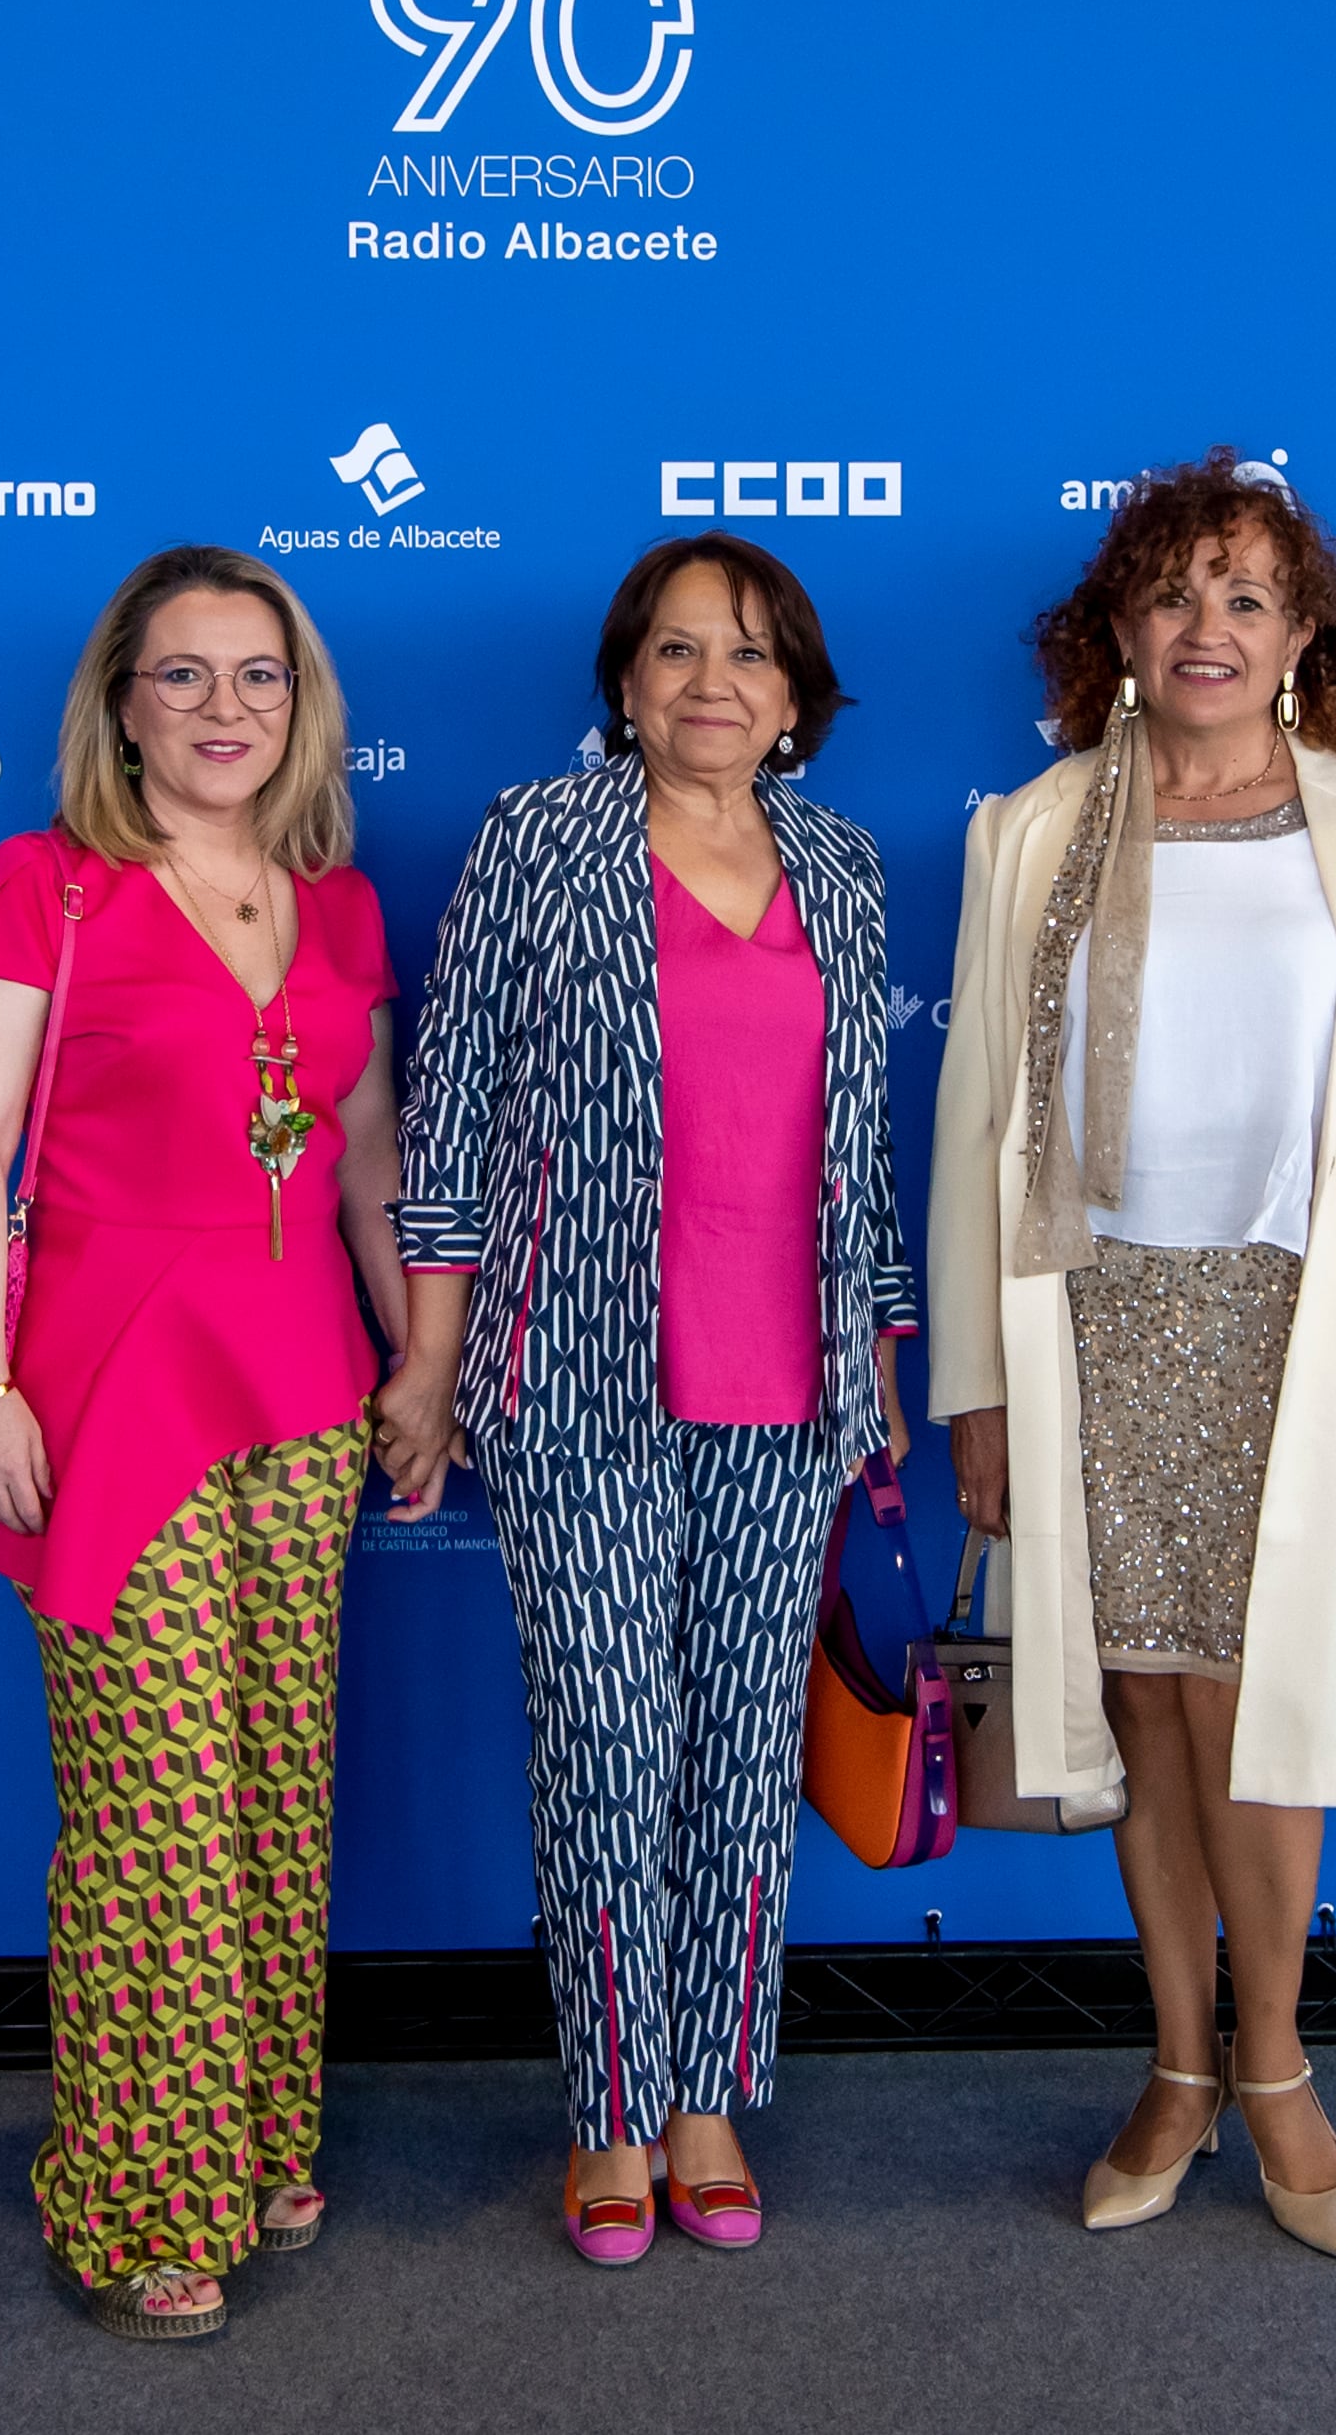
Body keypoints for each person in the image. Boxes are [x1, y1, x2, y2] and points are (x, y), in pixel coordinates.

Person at [926, 448, 1336, 2263]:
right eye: (1173, 594)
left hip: (1301, 1321)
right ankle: (1175, 2064)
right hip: (1092, 1308)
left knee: (1262, 1706)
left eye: (1246, 595)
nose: (1207, 627)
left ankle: (1271, 2062)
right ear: (1116, 629)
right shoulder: (1028, 831)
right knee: (1140, 1700)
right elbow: (975, 1119)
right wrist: (975, 1387)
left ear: (1305, 631)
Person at [370, 532, 917, 2267]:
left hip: (793, 1381)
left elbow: (862, 1149)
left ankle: (710, 2095)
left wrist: (883, 1350)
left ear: (794, 697)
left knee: (745, 1752)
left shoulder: (840, 865)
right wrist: (431, 1358)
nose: (710, 685)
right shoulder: (537, 844)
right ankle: (609, 2111)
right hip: (576, 1376)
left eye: (748, 656)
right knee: (610, 1745)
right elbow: (444, 1111)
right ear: (623, 682)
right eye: (676, 652)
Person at [0, 544, 410, 2341]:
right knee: (150, 1813)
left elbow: (363, 1159)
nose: (226, 708)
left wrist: (411, 1361)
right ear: (118, 704)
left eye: (259, 675)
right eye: (186, 675)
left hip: (302, 1393)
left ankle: (257, 2138)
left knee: (278, 1788)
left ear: (302, 703)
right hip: (111, 1394)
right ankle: (137, 2188)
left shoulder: (339, 904)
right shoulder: (41, 888)